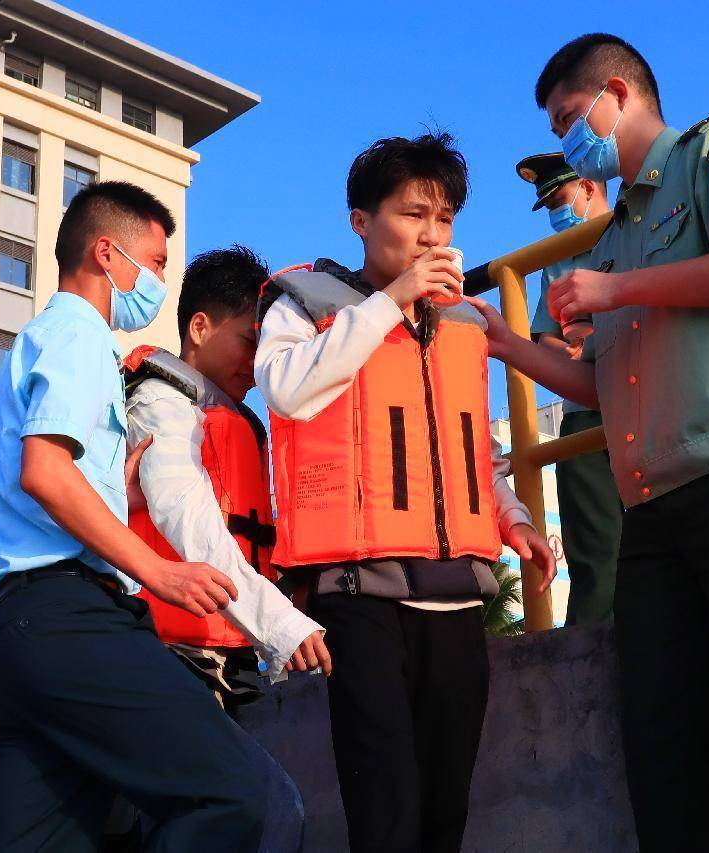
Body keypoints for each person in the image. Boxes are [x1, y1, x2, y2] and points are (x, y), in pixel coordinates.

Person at [467, 34, 709, 851]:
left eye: (571, 119)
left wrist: (620, 288)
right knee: (659, 745)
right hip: (654, 504)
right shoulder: (608, 240)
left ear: (616, 92)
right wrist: (504, 342)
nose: (571, 142)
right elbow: (594, 379)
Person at [255, 132, 556, 853]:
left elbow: (471, 446)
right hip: (361, 597)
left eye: (445, 218)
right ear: (361, 220)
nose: (432, 233)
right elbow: (288, 390)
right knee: (384, 808)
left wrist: (513, 518)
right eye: (413, 212)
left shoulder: (461, 323)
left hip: (455, 595)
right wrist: (390, 301)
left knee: (447, 807)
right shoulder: (303, 304)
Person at [0, 180, 266, 852]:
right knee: (232, 791)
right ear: (109, 254)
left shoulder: (34, 342)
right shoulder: (80, 333)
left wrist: (117, 494)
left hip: (16, 640)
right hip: (72, 621)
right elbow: (45, 471)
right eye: (158, 263)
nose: (160, 282)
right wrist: (160, 570)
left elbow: (42, 480)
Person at [123, 245, 330, 715]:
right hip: (170, 650)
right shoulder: (160, 403)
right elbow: (188, 519)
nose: (258, 364)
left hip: (234, 648)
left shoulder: (238, 420)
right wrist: (280, 624)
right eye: (249, 341)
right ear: (199, 328)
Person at [515, 152, 623, 625]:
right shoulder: (553, 261)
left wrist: (586, 342)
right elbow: (547, 340)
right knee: (595, 554)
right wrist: (583, 348)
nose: (557, 210)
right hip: (585, 412)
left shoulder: (634, 232)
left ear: (588, 185)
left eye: (560, 197)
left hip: (651, 402)